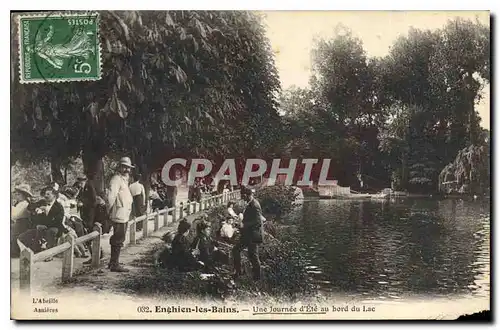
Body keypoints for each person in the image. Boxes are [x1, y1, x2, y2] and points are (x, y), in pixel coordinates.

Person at [106, 156, 134, 272]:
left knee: (120, 238)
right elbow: (110, 197)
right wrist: (109, 211)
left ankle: (113, 262)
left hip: (124, 214)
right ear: (120, 167)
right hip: (118, 213)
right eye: (124, 167)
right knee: (118, 238)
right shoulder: (116, 179)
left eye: (128, 168)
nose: (127, 170)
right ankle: (114, 264)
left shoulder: (124, 180)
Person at [232, 186, 263, 281]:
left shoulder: (254, 205)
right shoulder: (250, 203)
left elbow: (257, 222)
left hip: (253, 235)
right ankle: (239, 271)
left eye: (243, 196)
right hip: (248, 235)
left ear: (246, 195)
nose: (242, 198)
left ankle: (257, 278)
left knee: (253, 255)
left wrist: (243, 225)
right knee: (236, 250)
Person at [11, 184, 34, 257]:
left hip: (23, 223)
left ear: (24, 195)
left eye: (19, 194)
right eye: (16, 194)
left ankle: (15, 252)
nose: (17, 196)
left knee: (15, 234)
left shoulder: (25, 204)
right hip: (18, 223)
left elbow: (15, 216)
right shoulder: (19, 204)